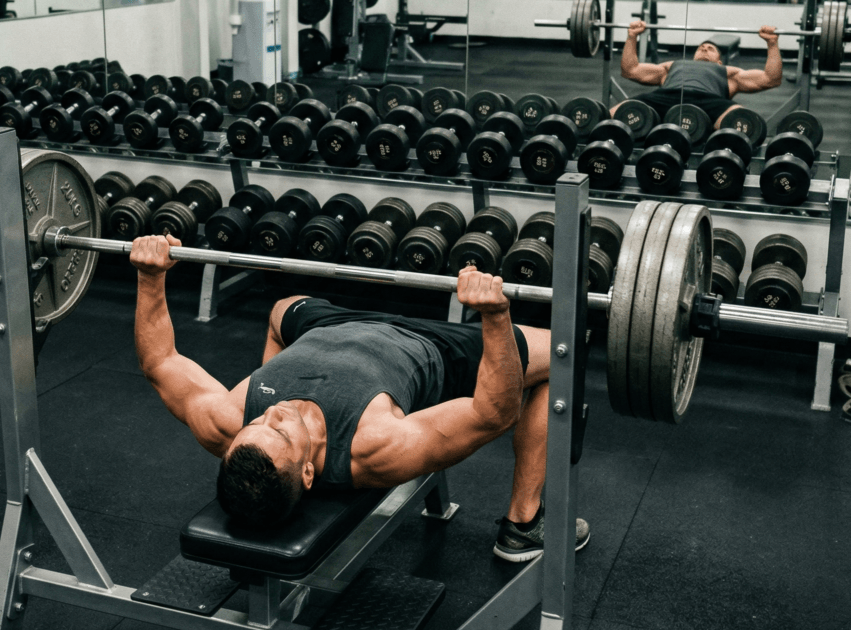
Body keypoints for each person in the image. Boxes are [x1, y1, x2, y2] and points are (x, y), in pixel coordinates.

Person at [130, 233, 590, 563]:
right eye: (281, 431)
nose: (273, 412)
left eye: (258, 424)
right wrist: (494, 316)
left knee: (280, 309)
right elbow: (493, 413)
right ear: (309, 472)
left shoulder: (228, 423)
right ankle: (524, 524)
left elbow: (161, 364)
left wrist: (150, 276)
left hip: (330, 326)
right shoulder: (373, 445)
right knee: (565, 360)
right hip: (431, 345)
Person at [612, 19, 781, 129]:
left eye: (710, 49)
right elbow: (631, 70)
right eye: (701, 48)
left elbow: (770, 79)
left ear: (719, 61)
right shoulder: (673, 65)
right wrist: (632, 37)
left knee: (747, 123)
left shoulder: (728, 72)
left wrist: (772, 44)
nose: (704, 49)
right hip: (667, 97)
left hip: (709, 101)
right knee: (611, 115)